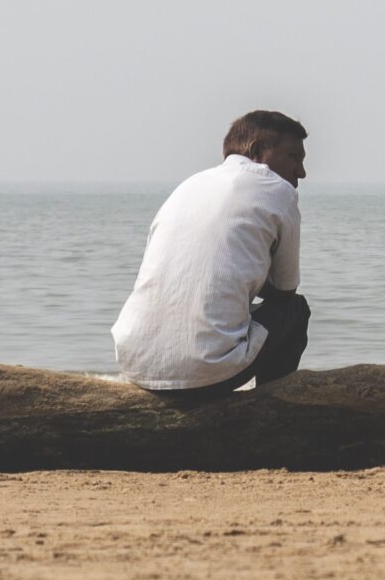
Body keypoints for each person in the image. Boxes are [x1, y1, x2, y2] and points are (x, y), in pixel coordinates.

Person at [112, 111, 311, 401]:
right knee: (296, 309)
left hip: (134, 362)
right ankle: (270, 410)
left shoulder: (188, 186)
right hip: (207, 374)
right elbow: (284, 291)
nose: (301, 172)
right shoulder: (277, 189)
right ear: (257, 151)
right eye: (294, 157)